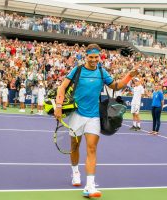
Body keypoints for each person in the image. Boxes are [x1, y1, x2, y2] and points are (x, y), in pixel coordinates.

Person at [54, 43, 139, 198]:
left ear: (99, 57)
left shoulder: (101, 71)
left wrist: (129, 76)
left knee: (92, 149)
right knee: (74, 146)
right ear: (85, 56)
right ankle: (75, 172)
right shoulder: (77, 70)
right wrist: (58, 105)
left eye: (96, 57)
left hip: (94, 116)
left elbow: (115, 85)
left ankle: (90, 186)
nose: (94, 60)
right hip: (76, 114)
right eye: (91, 57)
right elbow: (62, 87)